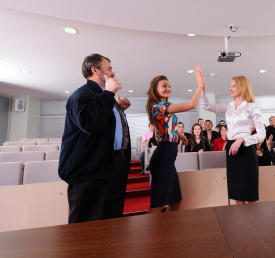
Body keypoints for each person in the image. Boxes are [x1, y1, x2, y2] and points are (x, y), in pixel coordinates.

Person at [58, 53, 131, 224]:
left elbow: (103, 124)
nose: (113, 73)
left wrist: (118, 108)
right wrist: (108, 94)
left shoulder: (106, 97)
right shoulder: (82, 94)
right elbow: (91, 124)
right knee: (88, 225)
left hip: (113, 164)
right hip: (91, 168)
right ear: (95, 70)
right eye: (109, 68)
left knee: (111, 220)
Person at [145, 65, 204, 214]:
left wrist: (179, 135)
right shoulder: (157, 106)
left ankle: (167, 233)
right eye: (164, 86)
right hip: (163, 156)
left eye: (169, 86)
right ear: (155, 89)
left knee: (175, 202)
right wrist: (200, 84)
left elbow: (165, 127)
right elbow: (192, 105)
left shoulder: (165, 106)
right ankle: (148, 235)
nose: (168, 88)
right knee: (157, 204)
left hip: (168, 157)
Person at [201, 75, 266, 204]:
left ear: (242, 87)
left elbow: (262, 134)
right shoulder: (229, 106)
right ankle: (241, 224)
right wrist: (203, 90)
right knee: (237, 194)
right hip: (232, 151)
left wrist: (242, 139)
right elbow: (207, 106)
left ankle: (254, 224)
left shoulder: (252, 107)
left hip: (246, 150)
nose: (230, 89)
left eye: (233, 86)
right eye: (230, 86)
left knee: (250, 195)